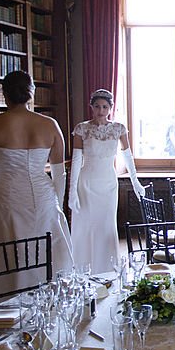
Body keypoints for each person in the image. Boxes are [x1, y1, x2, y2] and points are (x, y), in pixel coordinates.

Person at [0, 70, 74, 321]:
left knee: (5, 256)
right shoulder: (49, 125)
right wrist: (58, 206)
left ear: (5, 93)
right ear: (31, 93)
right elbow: (59, 173)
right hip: (42, 199)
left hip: (4, 199)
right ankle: (47, 316)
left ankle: (3, 314)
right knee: (42, 254)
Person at [69, 90, 146, 274]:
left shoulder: (118, 128)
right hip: (86, 182)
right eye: (97, 106)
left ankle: (107, 270)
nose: (101, 110)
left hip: (108, 184)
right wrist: (72, 190)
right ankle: (84, 269)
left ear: (111, 108)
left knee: (106, 225)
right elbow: (76, 159)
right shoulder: (82, 128)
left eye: (105, 107)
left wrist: (135, 182)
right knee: (86, 225)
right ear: (92, 107)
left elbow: (128, 156)